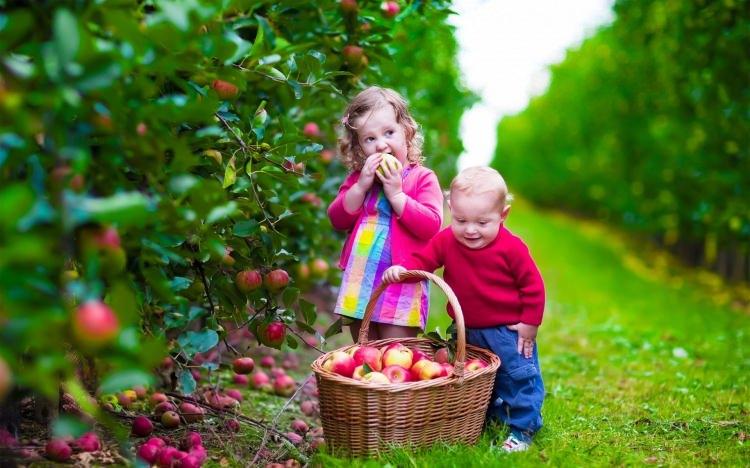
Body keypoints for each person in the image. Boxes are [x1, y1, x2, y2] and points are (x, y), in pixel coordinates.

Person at [383, 166, 545, 453]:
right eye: (461, 220)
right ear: (450, 209)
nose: (470, 230)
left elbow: (533, 286)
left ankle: (523, 428)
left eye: (483, 223)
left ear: (503, 215)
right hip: (465, 329)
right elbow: (424, 260)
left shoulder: (512, 248)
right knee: (477, 379)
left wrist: (529, 324)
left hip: (506, 331)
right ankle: (486, 416)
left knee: (518, 376)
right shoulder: (446, 240)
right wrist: (404, 269)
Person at [327, 86, 444, 342]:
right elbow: (337, 218)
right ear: (359, 148)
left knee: (395, 350)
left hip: (401, 280)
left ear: (407, 132)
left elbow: (431, 225)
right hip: (361, 278)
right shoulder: (359, 180)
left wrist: (397, 196)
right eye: (370, 139)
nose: (381, 144)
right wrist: (360, 186)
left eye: (389, 133)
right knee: (364, 349)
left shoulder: (421, 178)